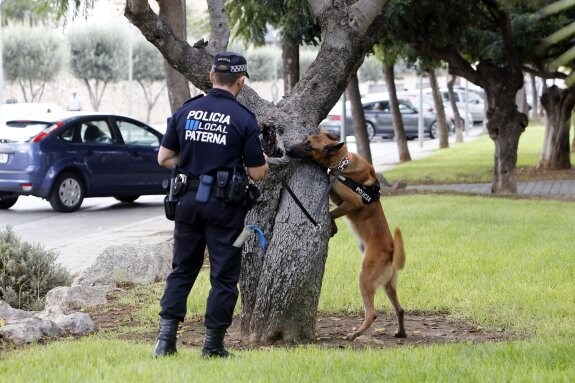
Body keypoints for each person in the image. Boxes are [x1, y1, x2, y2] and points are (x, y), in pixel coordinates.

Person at [154, 51, 269, 358]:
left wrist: (194, 162)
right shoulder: (244, 119)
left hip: (187, 203)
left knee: (182, 269)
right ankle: (213, 346)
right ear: (241, 81)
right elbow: (258, 172)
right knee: (223, 276)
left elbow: (164, 158)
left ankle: (165, 342)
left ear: (211, 76)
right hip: (225, 207)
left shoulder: (186, 111)